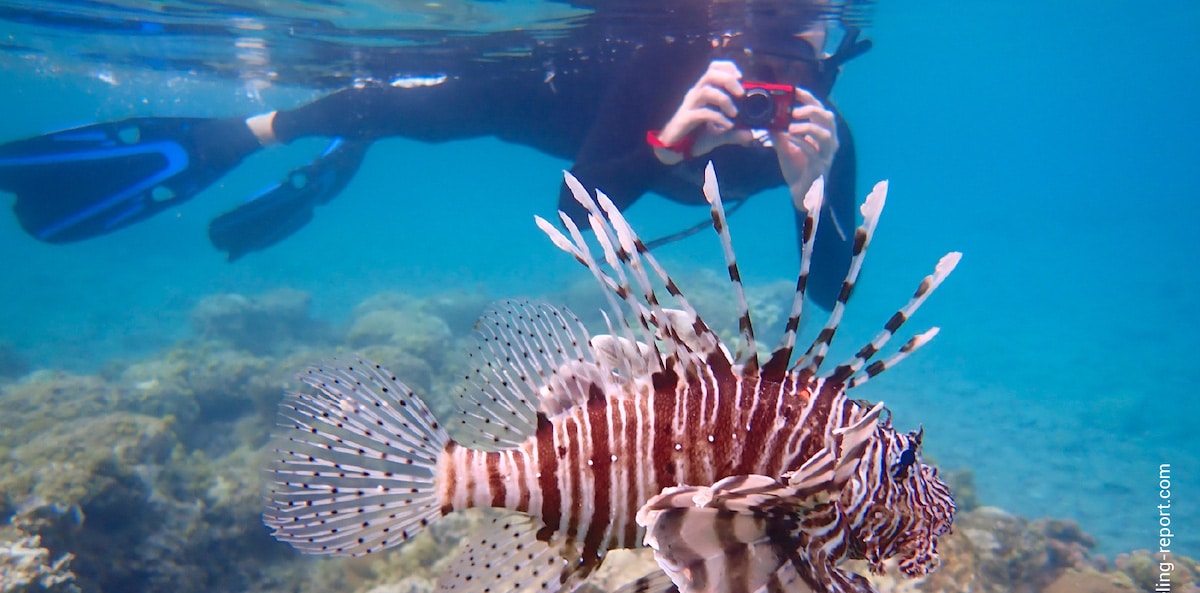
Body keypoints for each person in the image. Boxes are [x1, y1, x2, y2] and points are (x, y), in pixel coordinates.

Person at [0, 13, 869, 308]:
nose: (774, 91)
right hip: (541, 98)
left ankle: (335, 145)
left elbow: (829, 292)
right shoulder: (666, 63)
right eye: (760, 63)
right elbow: (575, 211)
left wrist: (805, 199)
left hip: (620, 150)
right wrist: (667, 144)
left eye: (804, 68)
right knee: (407, 104)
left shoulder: (826, 138)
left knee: (409, 110)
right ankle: (250, 133)